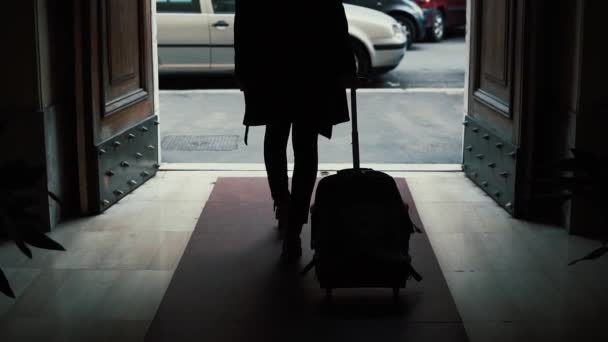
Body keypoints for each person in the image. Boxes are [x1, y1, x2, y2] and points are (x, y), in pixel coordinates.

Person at [234, 0, 356, 261]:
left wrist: (243, 71)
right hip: (312, 69)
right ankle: (294, 226)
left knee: (276, 139)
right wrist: (346, 67)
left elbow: (244, 21)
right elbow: (335, 17)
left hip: (271, 67)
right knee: (305, 146)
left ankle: (283, 204)